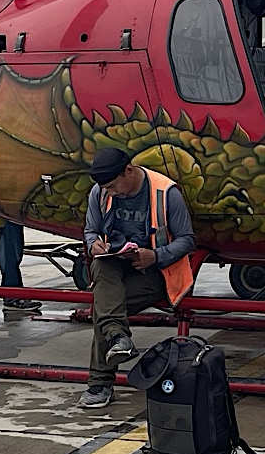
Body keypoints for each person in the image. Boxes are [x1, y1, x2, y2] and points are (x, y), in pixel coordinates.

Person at [78, 147, 197, 411]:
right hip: (117, 265)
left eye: (112, 186)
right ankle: (118, 337)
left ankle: (100, 383)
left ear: (128, 172)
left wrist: (155, 256)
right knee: (102, 271)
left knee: (105, 307)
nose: (109, 193)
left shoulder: (166, 193)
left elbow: (188, 240)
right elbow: (90, 230)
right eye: (105, 188)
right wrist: (93, 243)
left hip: (156, 272)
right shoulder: (100, 192)